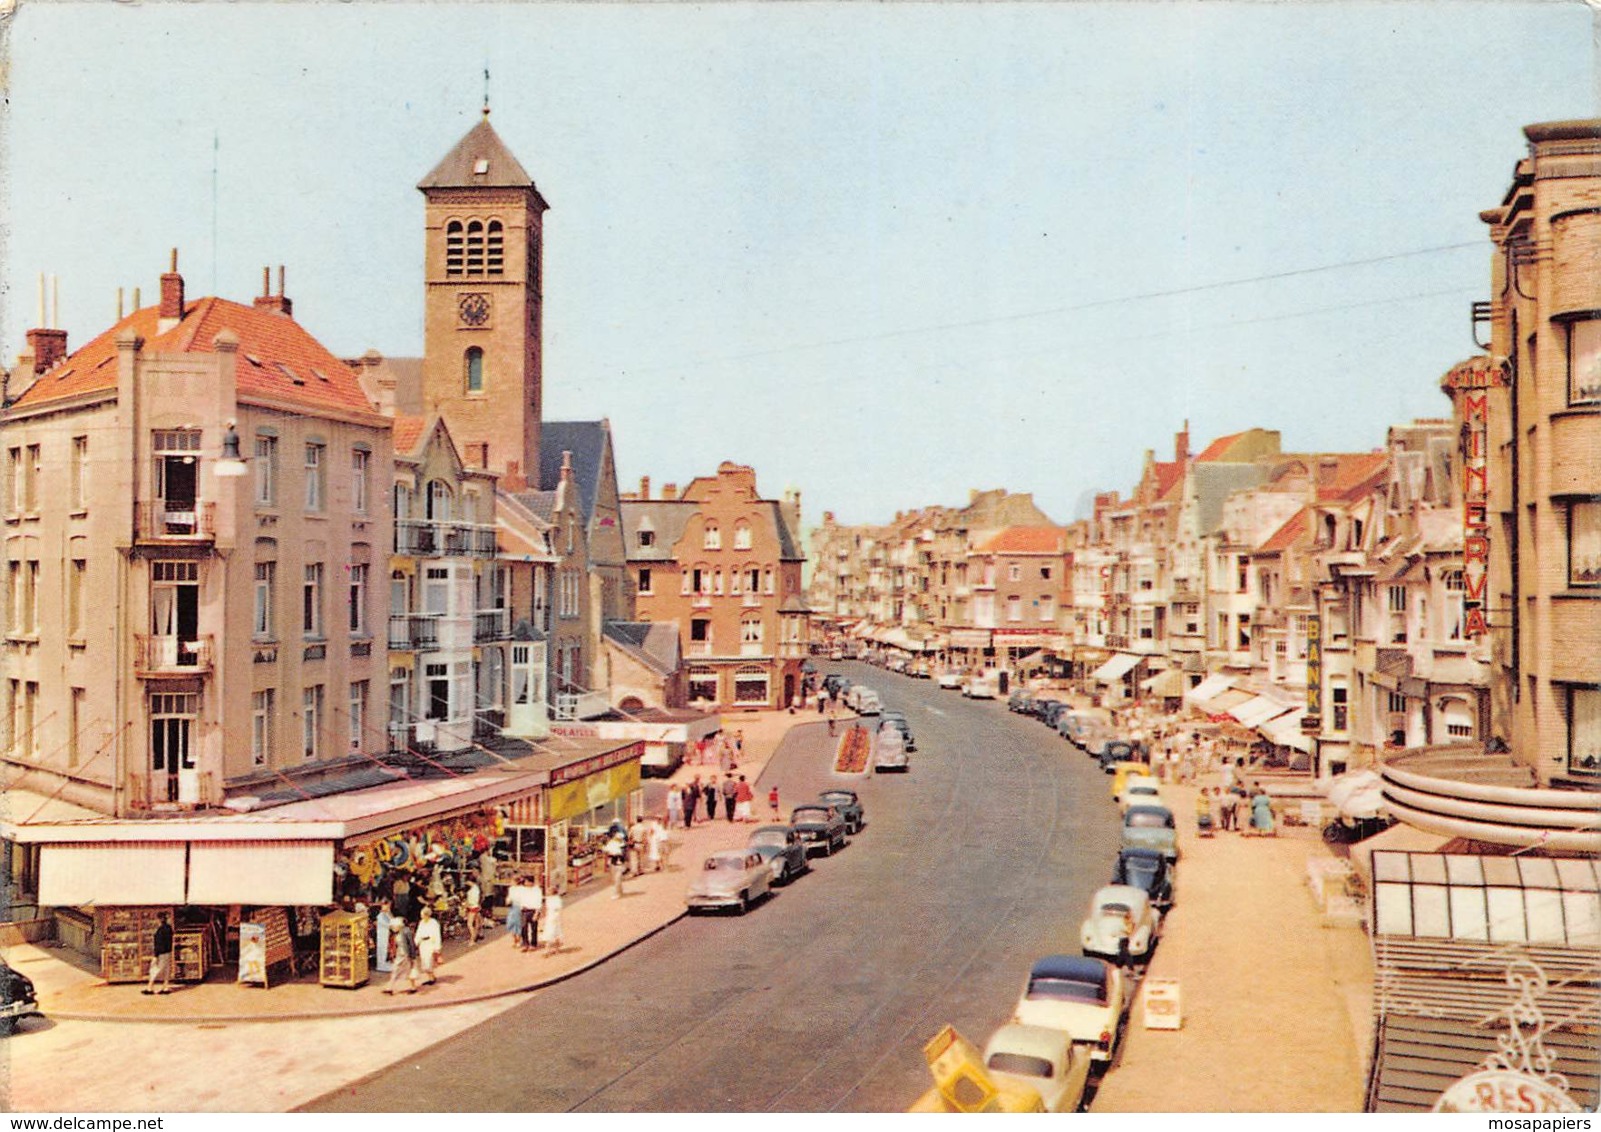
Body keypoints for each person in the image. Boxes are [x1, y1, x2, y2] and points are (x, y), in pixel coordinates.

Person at [384, 917, 419, 994]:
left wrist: (413, 957)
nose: (392, 929)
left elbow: (411, 944)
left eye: (393, 927)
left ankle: (391, 987)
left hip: (405, 955)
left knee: (400, 970)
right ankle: (392, 987)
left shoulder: (406, 931)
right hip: (400, 954)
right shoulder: (398, 932)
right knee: (399, 970)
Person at [143, 912, 174, 995]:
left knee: (155, 969)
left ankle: (150, 987)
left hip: (161, 953)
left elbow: (158, 944)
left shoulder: (160, 930)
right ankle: (165, 987)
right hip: (168, 951)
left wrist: (156, 955)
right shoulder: (169, 928)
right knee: (167, 969)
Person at [414, 906, 443, 985]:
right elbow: (418, 933)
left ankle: (431, 977)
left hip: (430, 943)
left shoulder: (433, 923)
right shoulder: (421, 922)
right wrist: (415, 943)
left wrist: (437, 947)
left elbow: (437, 935)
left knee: (428, 961)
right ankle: (431, 977)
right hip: (423, 944)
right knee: (424, 961)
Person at [374, 899, 395, 972]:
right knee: (381, 949)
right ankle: (380, 965)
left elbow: (393, 920)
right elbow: (390, 924)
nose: (389, 907)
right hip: (381, 935)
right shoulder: (380, 916)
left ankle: (384, 963)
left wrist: (389, 912)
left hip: (386, 934)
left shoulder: (386, 914)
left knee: (385, 949)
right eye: (388, 905)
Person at [541, 890, 564, 956]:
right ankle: (556, 949)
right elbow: (546, 909)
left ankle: (547, 950)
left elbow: (558, 910)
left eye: (548, 891)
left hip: (554, 918)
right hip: (549, 917)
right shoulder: (548, 899)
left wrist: (555, 918)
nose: (547, 892)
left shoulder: (557, 900)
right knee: (554, 933)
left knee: (551, 933)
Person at [605, 833, 628, 899]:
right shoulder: (617, 844)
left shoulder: (620, 845)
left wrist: (612, 853)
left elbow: (609, 851)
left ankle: (617, 893)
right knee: (617, 878)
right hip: (616, 862)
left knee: (617, 878)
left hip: (618, 863)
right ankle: (620, 891)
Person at [463, 879, 482, 943]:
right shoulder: (475, 889)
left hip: (472, 907)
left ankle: (472, 939)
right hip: (474, 906)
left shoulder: (473, 890)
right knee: (476, 924)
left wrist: (466, 905)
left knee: (469, 924)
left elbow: (470, 900)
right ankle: (473, 938)